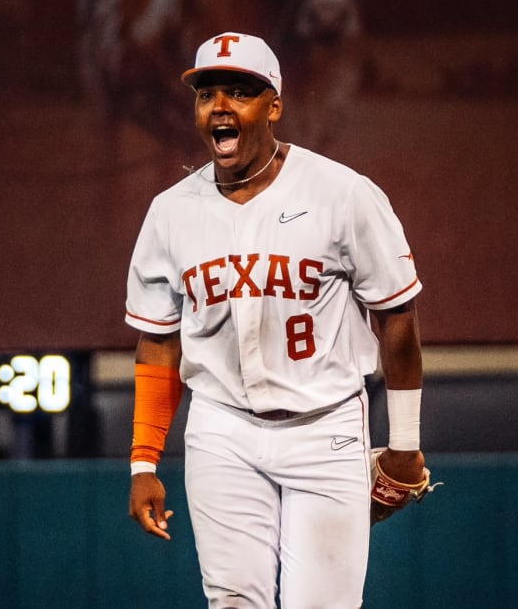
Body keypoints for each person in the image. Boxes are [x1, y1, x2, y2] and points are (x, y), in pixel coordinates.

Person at [124, 32, 427, 608]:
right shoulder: (170, 213)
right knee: (233, 603)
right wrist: (143, 461)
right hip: (222, 430)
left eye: (240, 91)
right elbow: (157, 343)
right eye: (207, 93)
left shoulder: (342, 194)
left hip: (325, 425)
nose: (219, 106)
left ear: (274, 107)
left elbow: (398, 317)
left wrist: (405, 442)